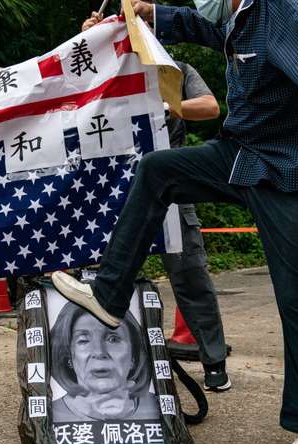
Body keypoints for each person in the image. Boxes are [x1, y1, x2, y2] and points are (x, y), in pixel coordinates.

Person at [52, 0, 298, 444]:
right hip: (246, 155)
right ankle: (109, 295)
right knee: (160, 170)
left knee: (294, 300)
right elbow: (195, 24)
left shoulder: (282, 9)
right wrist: (144, 15)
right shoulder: (237, 15)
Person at [82, 7, 231, 392]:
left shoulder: (174, 70)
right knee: (96, 273)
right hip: (111, 187)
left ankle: (213, 360)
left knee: (190, 272)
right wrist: (85, 43)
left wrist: (168, 105)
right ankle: (92, 361)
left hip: (171, 187)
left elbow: (212, 107)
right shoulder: (105, 73)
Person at [51, 302, 159, 422]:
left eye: (113, 339)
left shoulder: (158, 409)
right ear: (68, 357)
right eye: (83, 341)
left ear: (134, 355)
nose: (99, 352)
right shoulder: (49, 417)